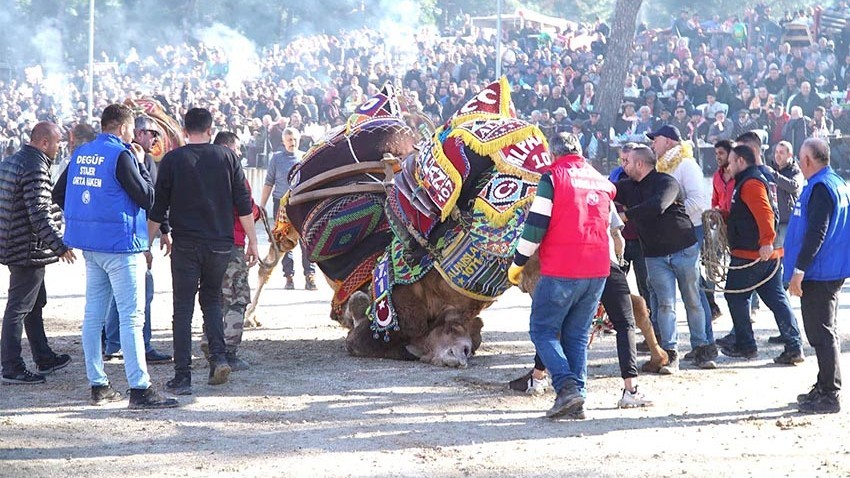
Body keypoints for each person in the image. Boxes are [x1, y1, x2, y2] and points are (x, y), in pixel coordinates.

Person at [54, 104, 177, 408]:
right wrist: (139, 162)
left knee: (93, 314)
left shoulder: (81, 154)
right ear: (123, 128)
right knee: (131, 317)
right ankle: (140, 387)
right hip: (121, 247)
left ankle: (98, 384)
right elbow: (148, 197)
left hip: (91, 246)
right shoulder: (122, 154)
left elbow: (60, 193)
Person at [147, 107, 259, 396]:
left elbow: (158, 208)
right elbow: (244, 204)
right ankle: (218, 359)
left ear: (185, 131)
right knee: (211, 301)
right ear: (210, 131)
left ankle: (182, 377)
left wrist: (146, 244)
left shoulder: (172, 160)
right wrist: (253, 242)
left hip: (186, 245)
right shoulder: (228, 157)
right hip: (221, 244)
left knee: (182, 309)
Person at [507, 132, 615, 419]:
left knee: (542, 330)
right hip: (597, 268)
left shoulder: (553, 178)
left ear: (553, 155)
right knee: (577, 336)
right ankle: (577, 398)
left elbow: (536, 225)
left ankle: (566, 387)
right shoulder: (600, 180)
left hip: (563, 268)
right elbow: (609, 226)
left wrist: (518, 262)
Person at [509, 205, 654, 410]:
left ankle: (544, 379)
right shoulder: (601, 192)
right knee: (625, 325)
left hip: (571, 265)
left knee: (554, 326)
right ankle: (630, 390)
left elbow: (537, 233)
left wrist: (519, 263)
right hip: (605, 263)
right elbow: (617, 237)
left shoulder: (560, 193)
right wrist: (619, 263)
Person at [615, 144, 716, 373]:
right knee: (664, 304)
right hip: (654, 254)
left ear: (639, 164)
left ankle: (701, 348)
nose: (624, 166)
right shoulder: (627, 186)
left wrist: (625, 215)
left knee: (693, 300)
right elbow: (605, 190)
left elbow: (657, 206)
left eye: (627, 162)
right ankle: (669, 354)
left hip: (684, 249)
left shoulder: (667, 182)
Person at [0, 122, 75, 384]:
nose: (58, 148)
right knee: (19, 308)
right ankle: (11, 366)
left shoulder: (12, 161)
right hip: (27, 249)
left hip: (13, 243)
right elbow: (39, 211)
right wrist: (60, 245)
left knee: (34, 304)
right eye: (57, 143)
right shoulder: (35, 167)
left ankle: (43, 356)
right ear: (44, 142)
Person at [719, 144, 805, 365]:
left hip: (753, 253)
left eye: (730, 162)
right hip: (766, 253)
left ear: (740, 161)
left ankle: (746, 345)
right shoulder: (753, 179)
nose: (727, 166)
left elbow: (765, 213)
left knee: (735, 296)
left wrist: (766, 241)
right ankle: (794, 346)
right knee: (776, 298)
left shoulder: (751, 182)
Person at [784, 138, 850, 414]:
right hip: (827, 268)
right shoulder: (833, 182)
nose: (799, 162)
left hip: (820, 271)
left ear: (808, 161)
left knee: (821, 334)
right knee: (824, 331)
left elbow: (816, 233)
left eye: (801, 158)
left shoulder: (822, 187)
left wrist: (799, 271)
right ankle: (824, 385)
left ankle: (830, 393)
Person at [101, 115, 172, 364]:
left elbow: (155, 200)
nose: (154, 138)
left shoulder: (143, 159)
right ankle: (136, 344)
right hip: (131, 237)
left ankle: (113, 343)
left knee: (116, 293)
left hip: (133, 235)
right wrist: (147, 242)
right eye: (151, 133)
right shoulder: (129, 158)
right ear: (138, 133)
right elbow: (147, 198)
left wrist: (164, 229)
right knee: (140, 292)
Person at [647, 125, 718, 345]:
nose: (652, 144)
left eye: (655, 139)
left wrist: (669, 216)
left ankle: (704, 342)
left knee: (693, 291)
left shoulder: (686, 165)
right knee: (679, 291)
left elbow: (698, 201)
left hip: (689, 231)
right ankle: (679, 343)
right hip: (673, 232)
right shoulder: (664, 166)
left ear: (668, 141)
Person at [198, 131, 261, 371]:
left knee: (213, 298)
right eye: (237, 148)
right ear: (228, 148)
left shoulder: (199, 172)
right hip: (231, 244)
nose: (240, 153)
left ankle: (209, 340)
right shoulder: (235, 173)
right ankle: (229, 351)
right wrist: (255, 223)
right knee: (237, 298)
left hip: (203, 245)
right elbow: (247, 208)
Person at [259, 127, 316, 290]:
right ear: (283, 141)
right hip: (281, 204)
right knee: (283, 240)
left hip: (302, 203)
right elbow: (269, 182)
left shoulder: (305, 156)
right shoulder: (276, 158)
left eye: (295, 139)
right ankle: (289, 276)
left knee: (307, 240)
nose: (293, 143)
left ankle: (309, 276)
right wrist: (262, 205)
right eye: (289, 140)